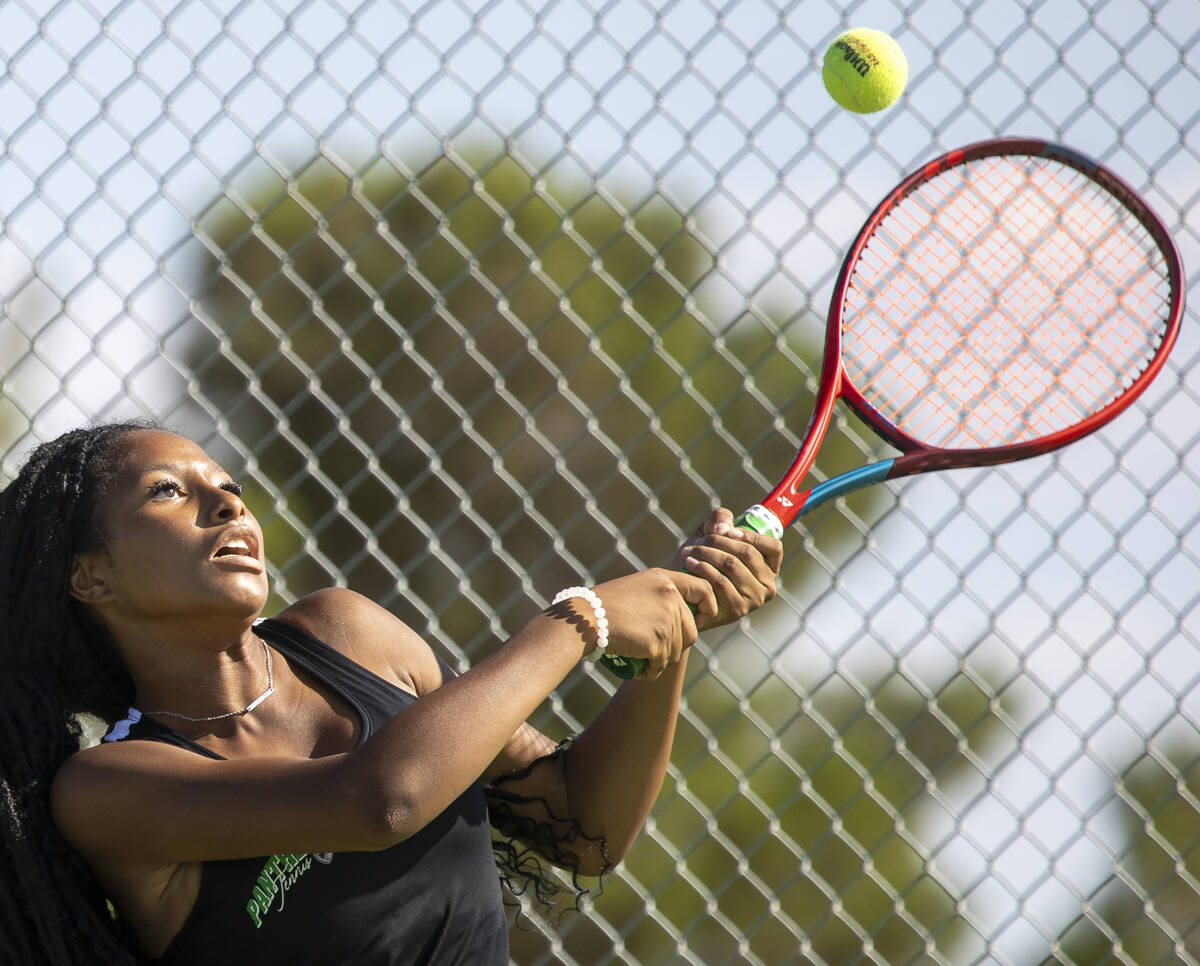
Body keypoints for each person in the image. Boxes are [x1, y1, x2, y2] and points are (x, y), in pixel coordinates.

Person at [0, 421, 782, 965]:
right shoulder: (111, 786)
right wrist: (582, 619)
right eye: (169, 492)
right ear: (89, 576)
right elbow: (382, 802)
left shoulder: (346, 633)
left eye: (229, 486)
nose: (229, 504)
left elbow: (581, 826)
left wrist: (666, 638)